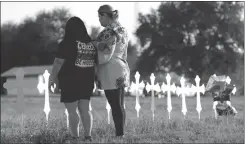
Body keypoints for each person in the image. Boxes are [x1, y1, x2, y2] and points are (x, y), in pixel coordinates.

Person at [49, 17, 96, 142]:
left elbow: (58, 62)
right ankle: (88, 136)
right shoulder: (91, 44)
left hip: (69, 80)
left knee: (72, 111)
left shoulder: (66, 44)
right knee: (85, 110)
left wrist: (52, 78)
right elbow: (96, 64)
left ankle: (75, 137)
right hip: (87, 80)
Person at [92, 4, 130, 137]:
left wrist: (94, 44)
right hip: (122, 67)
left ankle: (120, 135)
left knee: (115, 105)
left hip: (110, 69)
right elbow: (124, 51)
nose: (99, 20)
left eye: (99, 17)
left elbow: (106, 51)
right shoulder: (123, 29)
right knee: (120, 104)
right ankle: (121, 133)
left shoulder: (108, 32)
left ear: (105, 16)